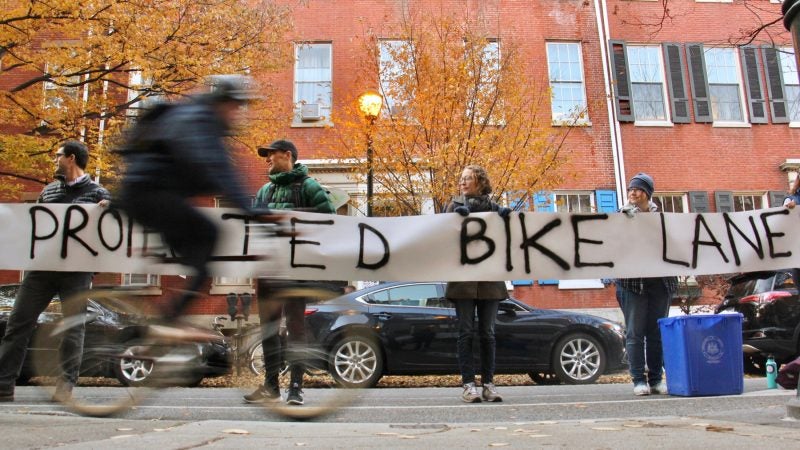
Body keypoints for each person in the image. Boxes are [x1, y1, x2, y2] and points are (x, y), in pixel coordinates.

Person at [116, 75, 268, 322]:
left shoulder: (203, 121)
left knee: (198, 249)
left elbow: (224, 172)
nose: (238, 113)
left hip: (148, 193)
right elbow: (215, 168)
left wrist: (250, 209)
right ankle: (171, 319)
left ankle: (162, 323)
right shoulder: (198, 120)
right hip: (148, 194)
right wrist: (252, 211)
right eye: (236, 106)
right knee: (211, 237)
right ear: (222, 102)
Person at [0, 140, 111, 403]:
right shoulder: (48, 192)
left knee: (73, 328)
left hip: (76, 271)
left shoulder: (99, 194)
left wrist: (109, 212)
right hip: (42, 270)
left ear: (71, 158)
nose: (54, 160)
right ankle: (4, 384)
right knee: (18, 323)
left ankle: (65, 387)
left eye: (57, 155)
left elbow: (110, 235)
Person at [243, 139, 335, 406]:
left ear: (288, 155)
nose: (267, 160)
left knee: (296, 328)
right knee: (269, 329)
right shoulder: (264, 191)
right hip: (269, 270)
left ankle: (296, 387)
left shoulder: (310, 187)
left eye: (271, 155)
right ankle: (271, 386)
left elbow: (330, 222)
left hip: (297, 271)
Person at [444, 165, 510, 403]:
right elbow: (441, 232)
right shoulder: (453, 205)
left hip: (490, 280)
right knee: (465, 332)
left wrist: (507, 220)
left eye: (468, 178)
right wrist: (452, 216)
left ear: (480, 182)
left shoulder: (495, 210)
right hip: (463, 281)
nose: (463, 182)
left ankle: (489, 384)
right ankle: (468, 384)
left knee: (488, 333)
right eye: (461, 178)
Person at [616, 173, 678, 396]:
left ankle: (655, 379)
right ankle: (638, 380)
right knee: (635, 332)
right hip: (633, 283)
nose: (633, 193)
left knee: (655, 332)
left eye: (638, 189)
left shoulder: (661, 216)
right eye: (631, 189)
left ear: (647, 193)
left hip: (660, 282)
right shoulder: (620, 216)